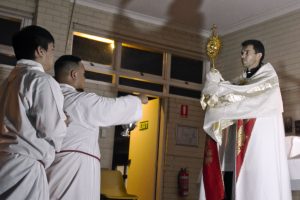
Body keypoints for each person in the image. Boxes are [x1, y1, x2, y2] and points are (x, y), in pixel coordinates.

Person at [200, 40, 292, 200]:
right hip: (233, 149)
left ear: (259, 55)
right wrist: (214, 83)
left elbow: (241, 96)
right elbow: (227, 97)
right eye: (241, 53)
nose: (242, 56)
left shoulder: (268, 80)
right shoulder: (240, 82)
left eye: (246, 52)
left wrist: (223, 89)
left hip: (259, 146)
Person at [46, 55, 147, 200]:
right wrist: (138, 100)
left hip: (54, 167)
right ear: (74, 75)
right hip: (73, 170)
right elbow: (111, 108)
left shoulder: (49, 98)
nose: (84, 79)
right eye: (84, 74)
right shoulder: (78, 100)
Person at [0, 25, 67, 199]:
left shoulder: (7, 82)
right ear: (40, 51)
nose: (53, 56)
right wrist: (64, 123)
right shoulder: (41, 80)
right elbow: (52, 129)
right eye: (52, 50)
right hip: (25, 167)